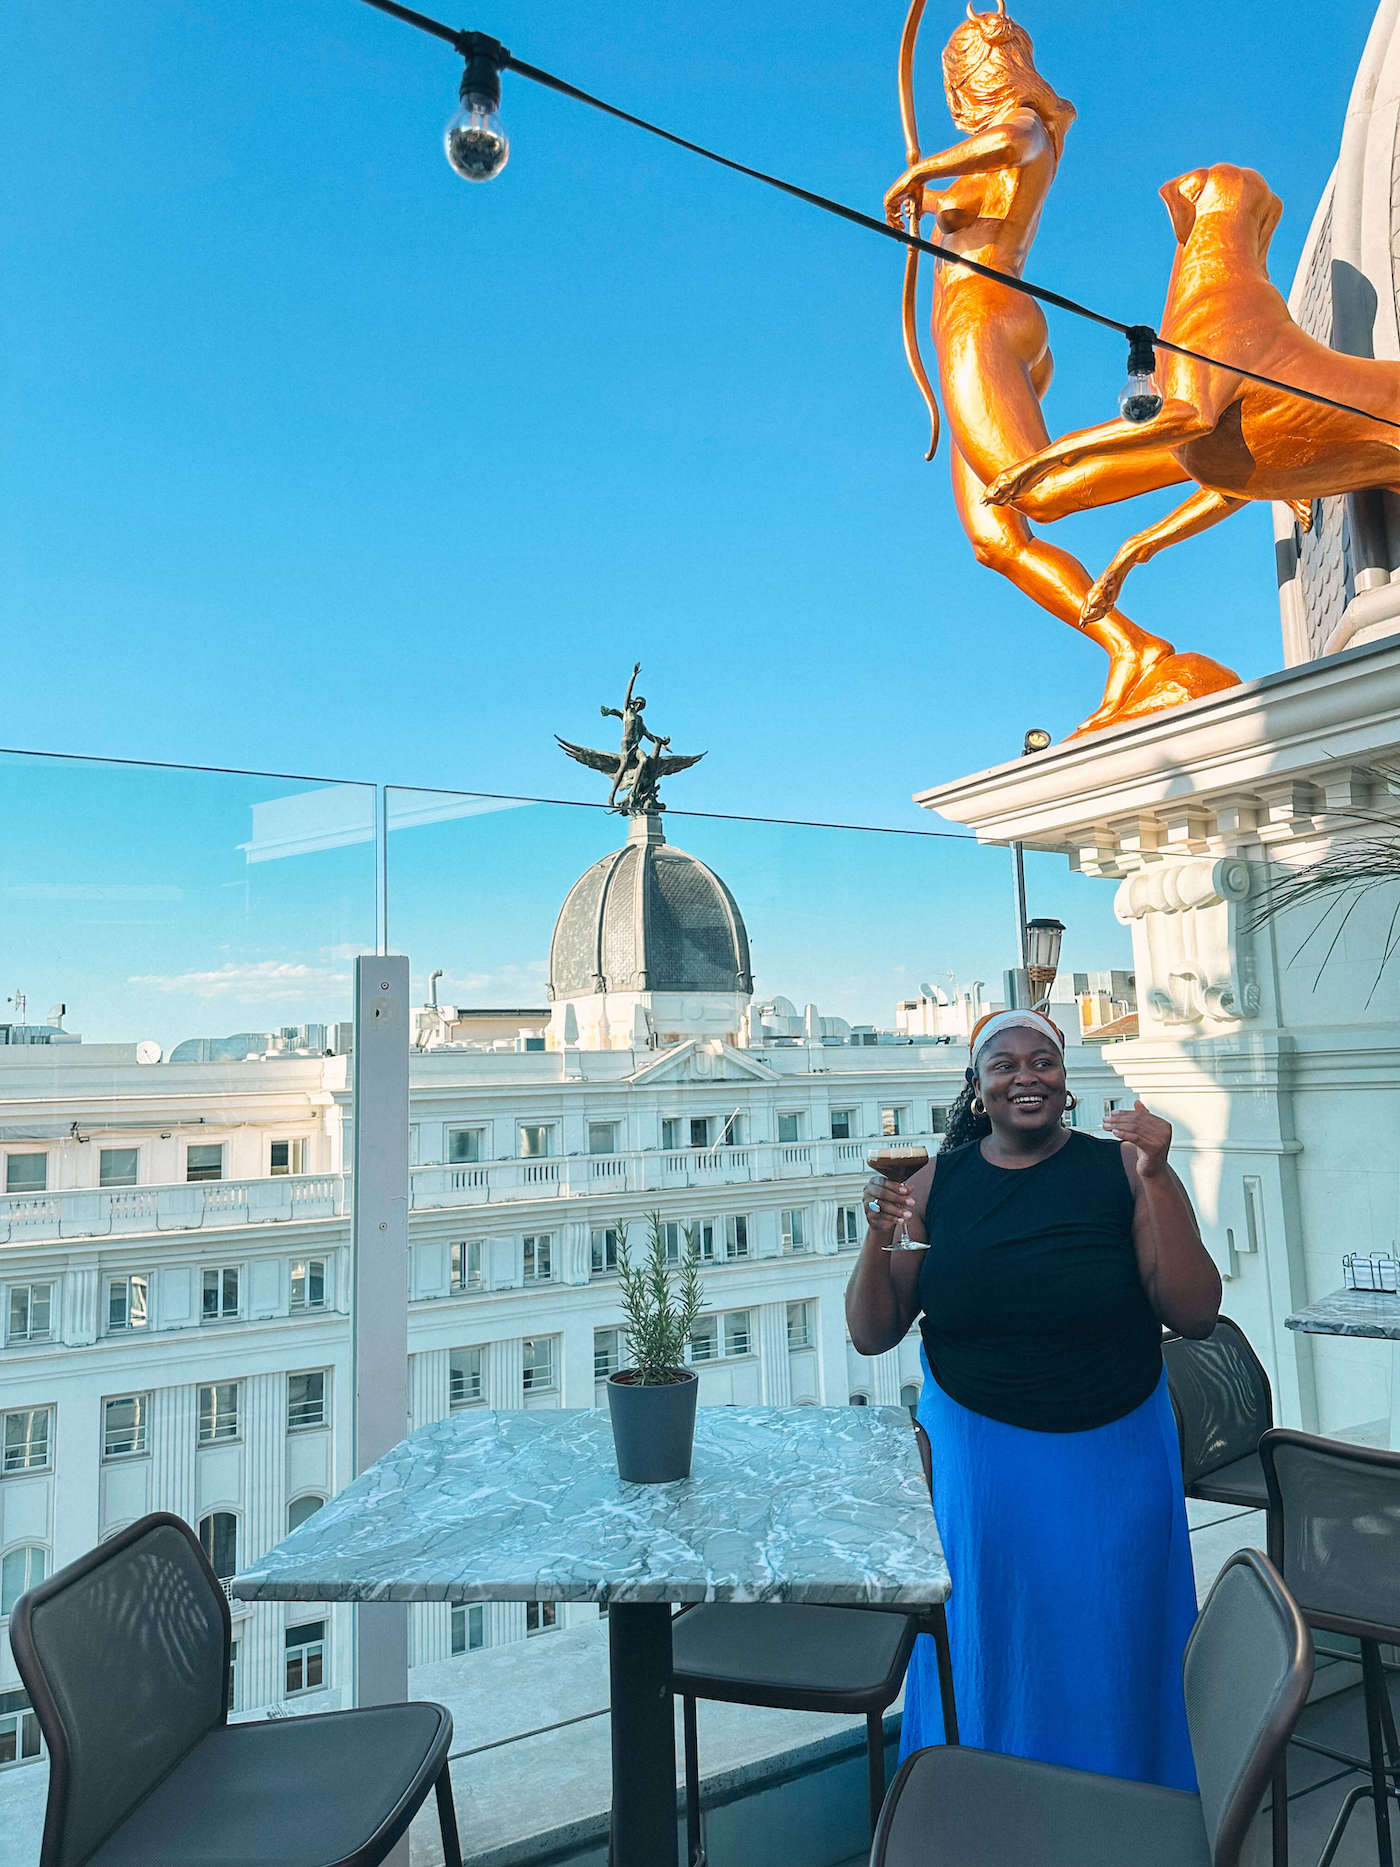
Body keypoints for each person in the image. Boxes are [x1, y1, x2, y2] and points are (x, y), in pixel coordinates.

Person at [845, 1008, 1220, 1790]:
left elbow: (1193, 1311)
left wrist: (1158, 1173)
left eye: (1043, 1060)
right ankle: (984, 1809)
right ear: (978, 1088)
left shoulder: (1122, 1166)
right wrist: (876, 1236)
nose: (1026, 1075)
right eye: (1004, 1064)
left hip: (1117, 1453)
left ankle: (1138, 1809)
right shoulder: (933, 1182)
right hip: (984, 1458)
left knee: (1119, 1630)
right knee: (997, 1635)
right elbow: (873, 1332)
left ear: (1066, 1080)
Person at [882, 5, 1189, 733]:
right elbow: (972, 181)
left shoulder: (1025, 122)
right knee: (997, 539)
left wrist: (919, 173)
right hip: (983, 331)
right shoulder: (996, 144)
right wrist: (922, 196)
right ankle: (1131, 647)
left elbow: (1008, 143)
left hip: (984, 323)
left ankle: (1204, 446)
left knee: (1040, 489)